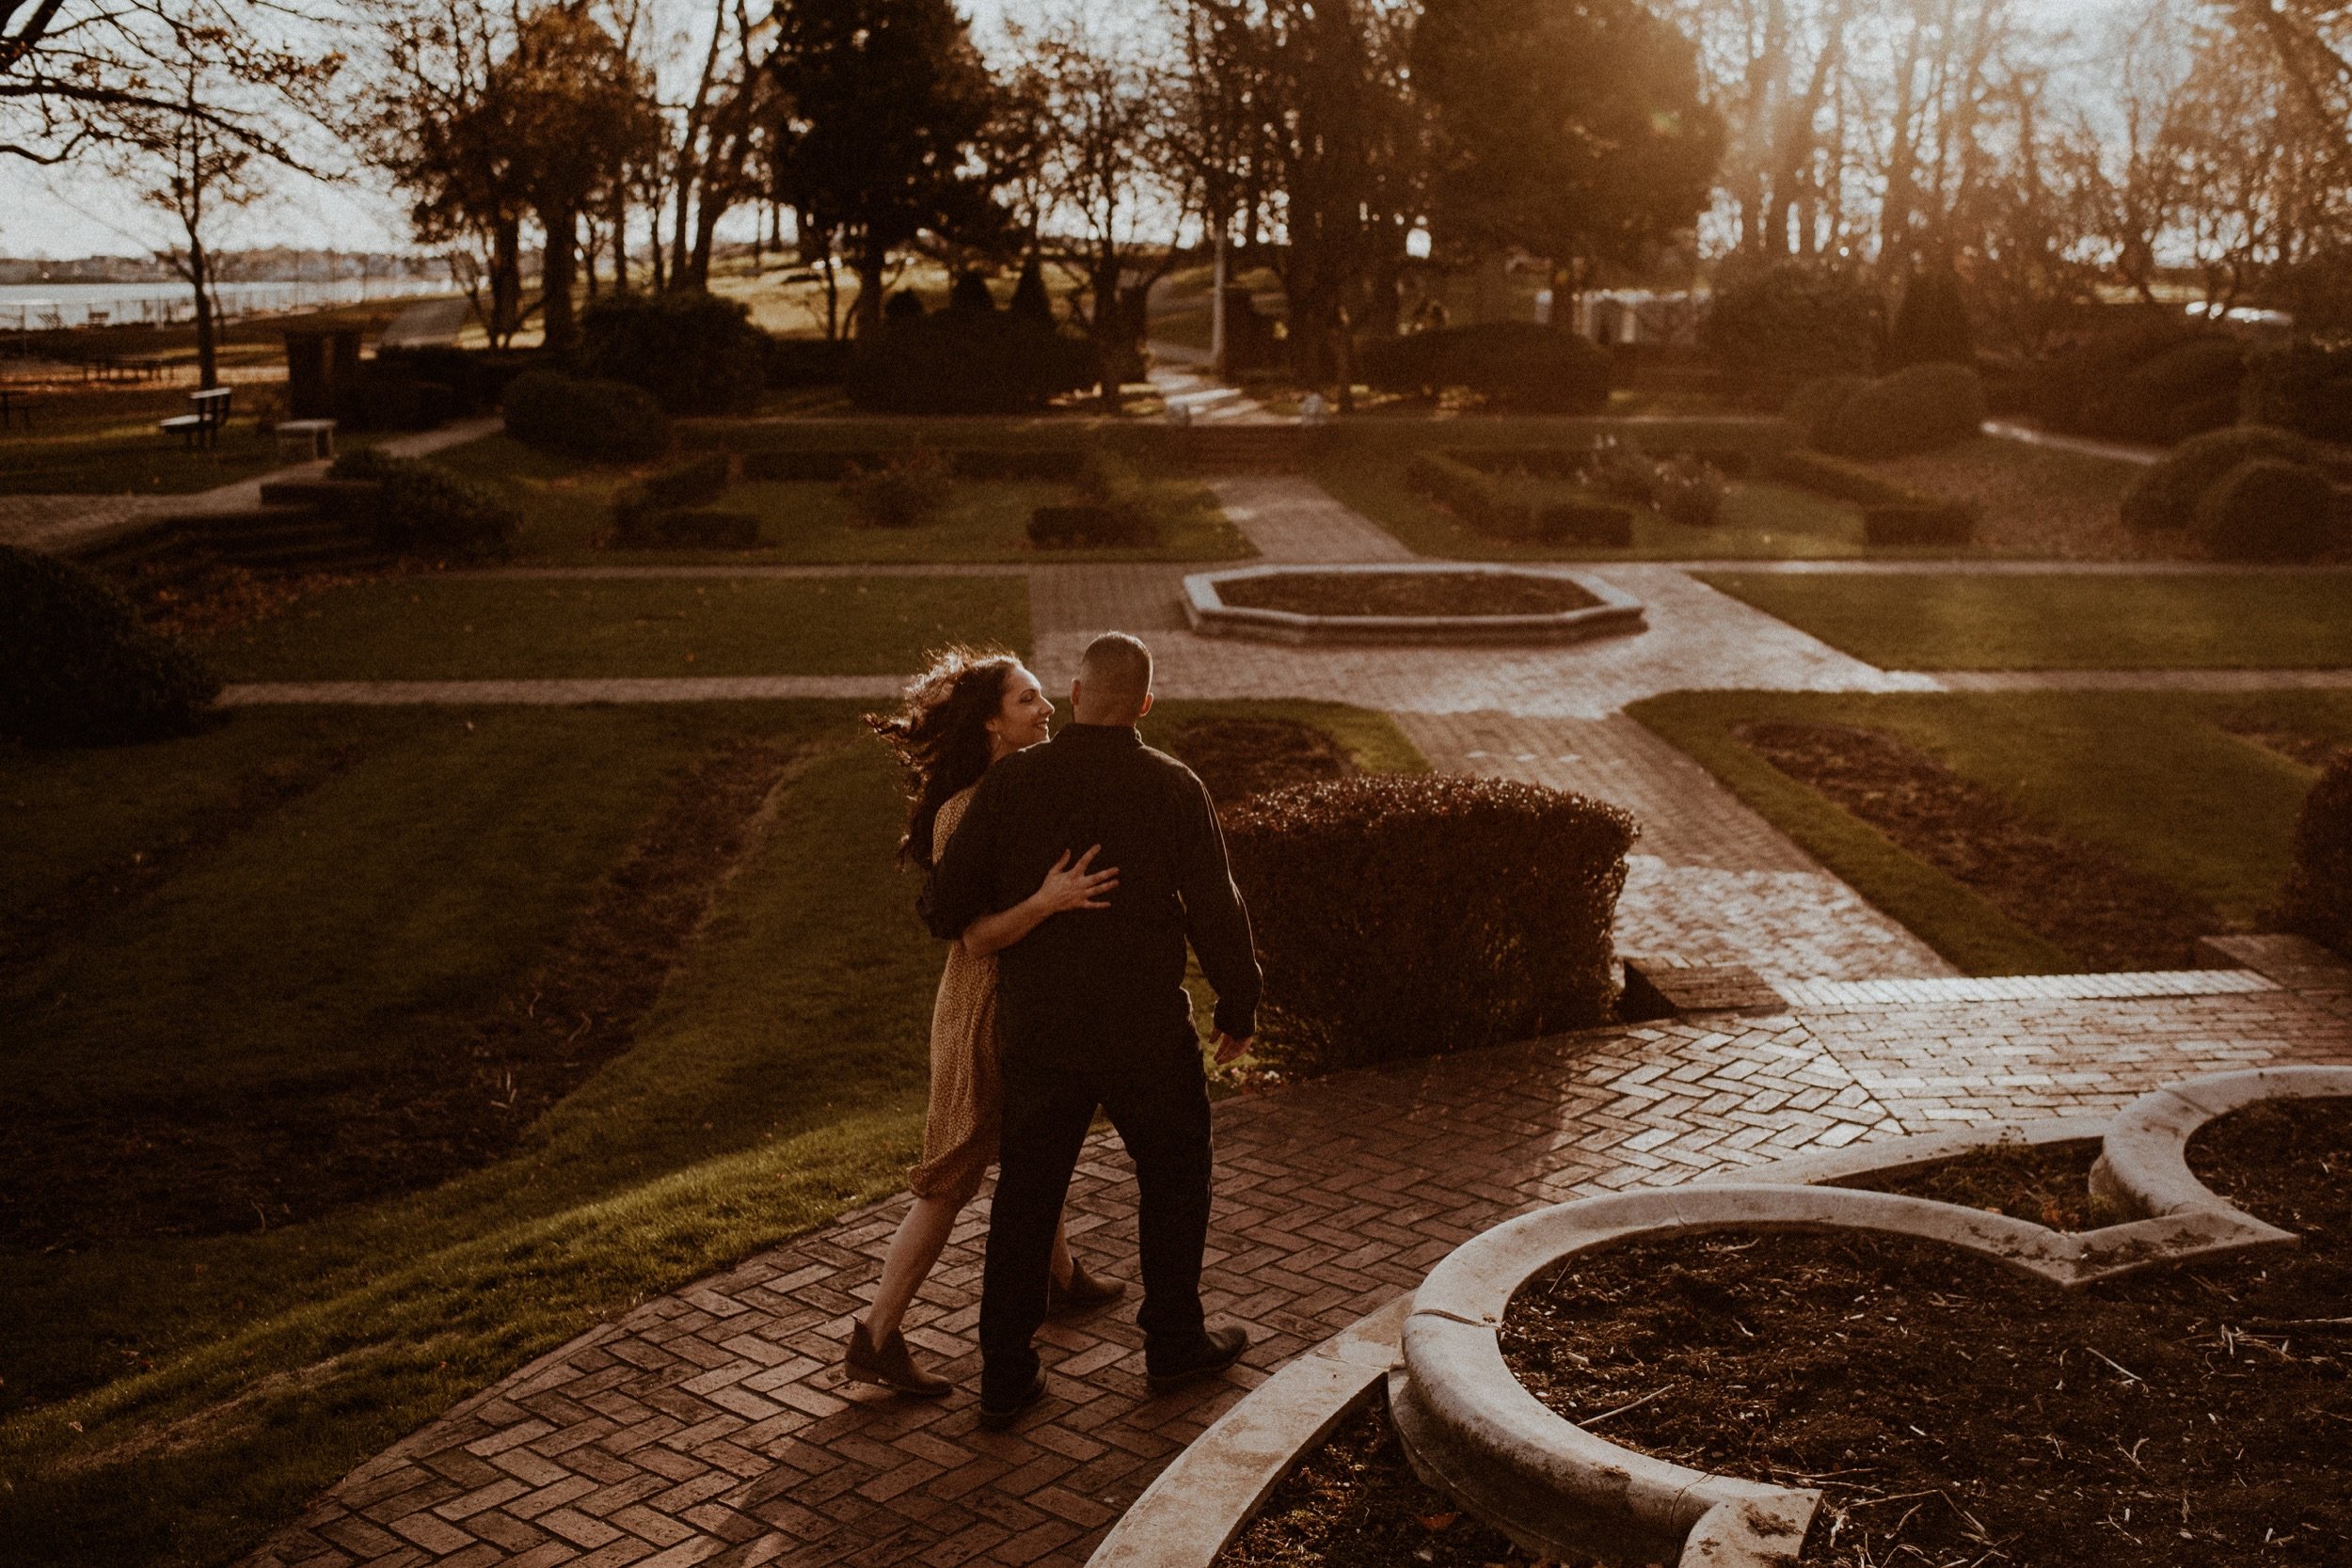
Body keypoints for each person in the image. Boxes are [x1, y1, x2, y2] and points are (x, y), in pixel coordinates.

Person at [925, 631, 1263, 1430]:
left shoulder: (1015, 786)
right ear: (1144, 703)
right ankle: (1174, 1340)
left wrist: (1026, 906)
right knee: (1176, 1178)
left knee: (1028, 1198)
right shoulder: (1175, 785)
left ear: (1076, 696)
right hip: (1147, 1028)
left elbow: (943, 908)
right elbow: (1218, 905)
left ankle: (1006, 1375)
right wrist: (1237, 1006)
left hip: (1044, 1031)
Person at [850, 649, 1128, 1398]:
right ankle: (876, 1333)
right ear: (992, 721)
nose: (1046, 709)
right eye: (1028, 699)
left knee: (1035, 1137)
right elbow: (974, 936)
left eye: (1043, 697)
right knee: (950, 1177)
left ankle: (1061, 1276)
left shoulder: (1019, 788)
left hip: (1018, 1003)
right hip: (981, 1011)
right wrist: (1052, 900)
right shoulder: (966, 810)